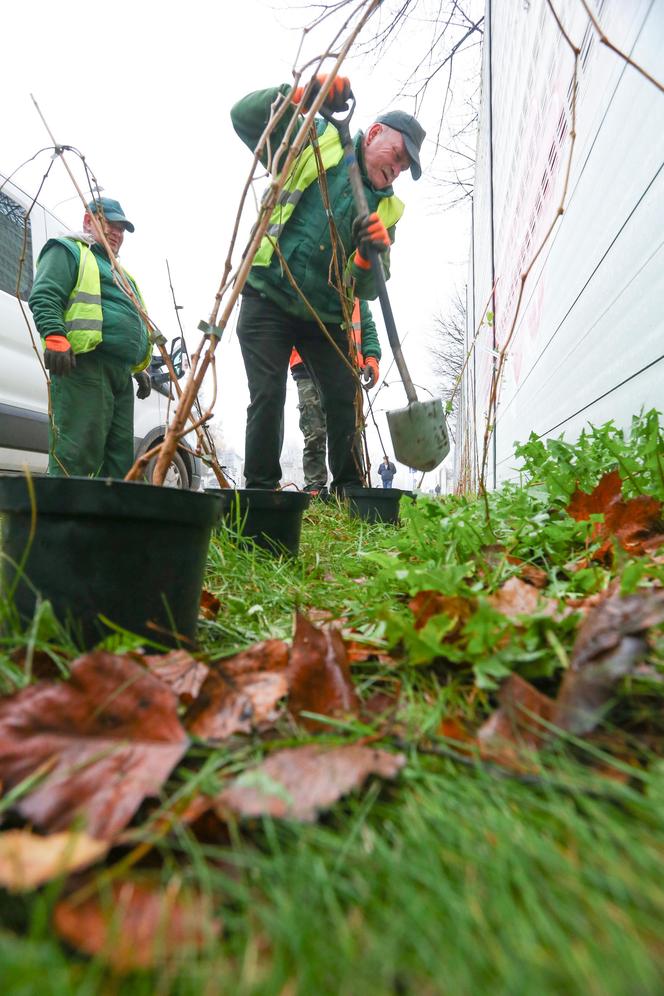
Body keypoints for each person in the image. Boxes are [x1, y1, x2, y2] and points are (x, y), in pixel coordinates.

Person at [231, 74, 425, 492]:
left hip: (325, 316)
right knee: (267, 396)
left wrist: (365, 257)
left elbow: (371, 290)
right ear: (373, 134)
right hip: (268, 294)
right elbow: (244, 118)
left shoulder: (387, 210)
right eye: (397, 154)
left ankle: (351, 493)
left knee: (344, 399)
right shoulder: (315, 139)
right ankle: (261, 493)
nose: (398, 168)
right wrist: (300, 97)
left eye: (406, 166)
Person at [29, 197, 152, 478]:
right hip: (85, 366)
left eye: (121, 229)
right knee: (77, 455)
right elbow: (45, 294)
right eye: (109, 223)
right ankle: (63, 519)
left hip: (120, 375)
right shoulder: (70, 251)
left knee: (119, 461)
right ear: (88, 221)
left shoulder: (123, 275)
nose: (116, 233)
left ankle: (106, 521)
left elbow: (131, 321)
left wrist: (139, 367)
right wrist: (55, 336)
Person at [289, 297, 378, 494]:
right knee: (314, 429)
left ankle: (349, 486)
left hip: (347, 366)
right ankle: (315, 486)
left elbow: (368, 327)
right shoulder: (312, 281)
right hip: (305, 364)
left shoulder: (357, 297)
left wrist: (371, 358)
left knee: (348, 427)